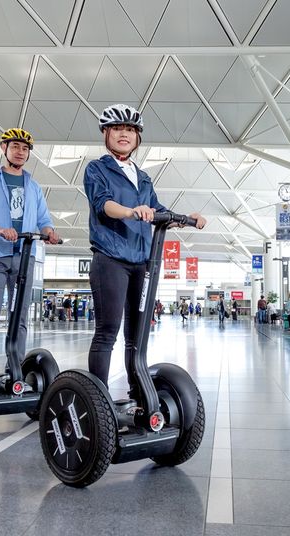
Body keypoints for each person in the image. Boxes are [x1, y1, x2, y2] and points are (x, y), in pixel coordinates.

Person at [83, 104, 206, 392]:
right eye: (117, 129)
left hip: (142, 262)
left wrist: (187, 218)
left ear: (137, 137)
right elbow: (103, 205)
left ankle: (138, 391)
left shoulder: (143, 177)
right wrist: (130, 211)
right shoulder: (97, 169)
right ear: (106, 133)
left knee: (137, 335)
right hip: (111, 258)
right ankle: (97, 397)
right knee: (107, 331)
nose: (123, 134)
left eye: (130, 130)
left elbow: (157, 209)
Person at [0, 128, 60, 395]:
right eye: (16, 146)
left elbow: (44, 219)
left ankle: (15, 370)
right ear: (4, 148)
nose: (20, 151)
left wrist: (50, 233)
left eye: (25, 148)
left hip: (25, 256)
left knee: (19, 317)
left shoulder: (33, 187)